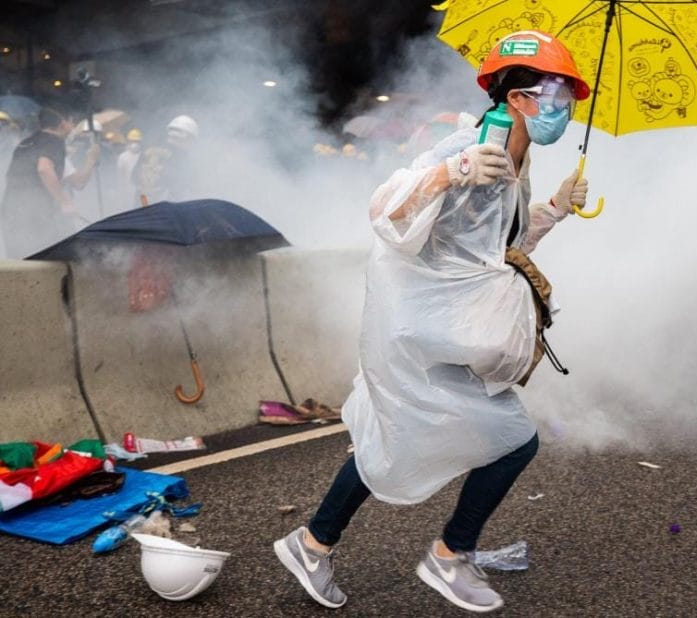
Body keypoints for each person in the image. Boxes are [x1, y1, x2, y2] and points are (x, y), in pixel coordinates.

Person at [274, 30, 591, 613]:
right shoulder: (468, 143)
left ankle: (312, 543)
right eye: (556, 93)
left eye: (569, 95)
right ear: (519, 97)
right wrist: (452, 171)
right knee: (511, 440)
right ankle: (449, 555)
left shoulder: (519, 159)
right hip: (417, 330)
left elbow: (500, 247)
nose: (564, 107)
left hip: (452, 330)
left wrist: (555, 208)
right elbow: (384, 209)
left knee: (391, 442)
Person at [1, 106, 98, 258]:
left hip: (10, 213)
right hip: (34, 215)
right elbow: (44, 169)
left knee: (19, 264)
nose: (73, 127)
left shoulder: (26, 143)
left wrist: (90, 160)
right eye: (71, 121)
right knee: (51, 257)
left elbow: (78, 182)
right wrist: (65, 202)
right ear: (63, 123)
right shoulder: (53, 141)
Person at [132, 114, 198, 205]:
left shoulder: (148, 149)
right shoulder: (181, 156)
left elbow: (133, 177)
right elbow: (183, 187)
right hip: (164, 211)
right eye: (191, 140)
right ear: (186, 136)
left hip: (140, 207)